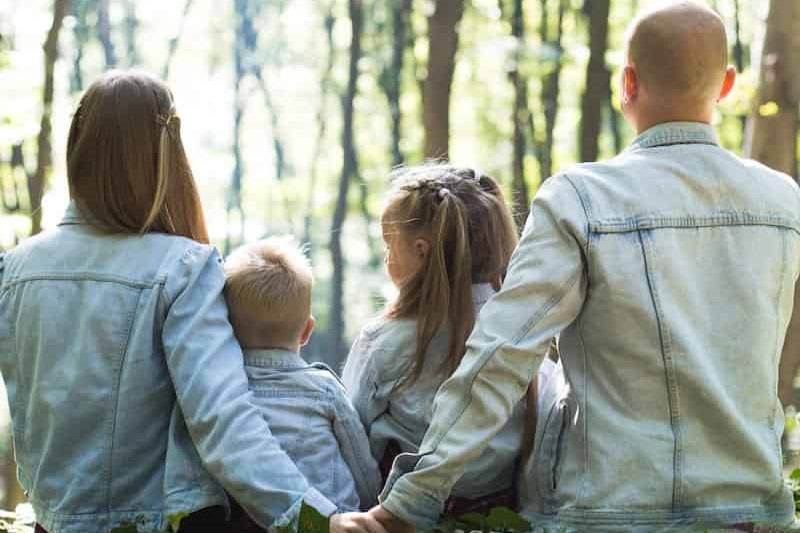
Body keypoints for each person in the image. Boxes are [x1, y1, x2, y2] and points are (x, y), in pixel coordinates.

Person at [365, 2, 800, 532]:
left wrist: (412, 498)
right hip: (752, 516)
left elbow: (502, 355)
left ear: (627, 83)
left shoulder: (581, 199)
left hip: (606, 515)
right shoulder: (783, 203)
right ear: (729, 85)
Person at [0, 70, 385, 533]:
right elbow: (223, 422)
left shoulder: (14, 268)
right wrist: (320, 520)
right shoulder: (182, 267)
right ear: (165, 154)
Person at [342, 166, 557, 513]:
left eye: (389, 244)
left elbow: (352, 437)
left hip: (402, 517)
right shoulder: (525, 338)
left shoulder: (383, 342)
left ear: (422, 250)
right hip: (501, 516)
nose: (386, 257)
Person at [203, 236, 379, 524]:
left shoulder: (220, 393)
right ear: (307, 330)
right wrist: (369, 506)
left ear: (227, 328)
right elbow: (361, 464)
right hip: (331, 519)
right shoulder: (324, 389)